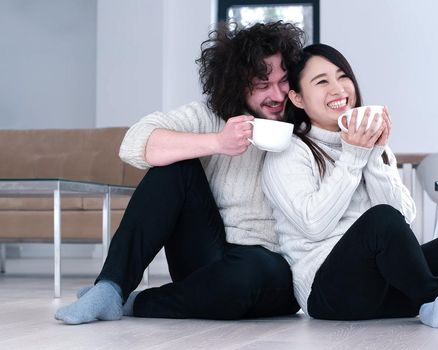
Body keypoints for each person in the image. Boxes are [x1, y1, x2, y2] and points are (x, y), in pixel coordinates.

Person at [54, 21, 304, 324]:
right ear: (237, 84)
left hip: (266, 270)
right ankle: (111, 287)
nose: (277, 95)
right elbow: (134, 143)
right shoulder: (208, 117)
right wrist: (217, 142)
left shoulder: (305, 128)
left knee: (251, 272)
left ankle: (137, 302)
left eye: (283, 81)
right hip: (207, 258)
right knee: (174, 167)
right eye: (263, 85)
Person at [261, 44, 438, 328]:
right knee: (379, 219)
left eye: (342, 76)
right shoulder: (289, 153)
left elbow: (403, 220)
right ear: (297, 98)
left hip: (389, 287)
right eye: (322, 81)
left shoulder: (371, 146)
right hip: (330, 295)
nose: (338, 89)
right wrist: (354, 155)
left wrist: (373, 154)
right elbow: (314, 225)